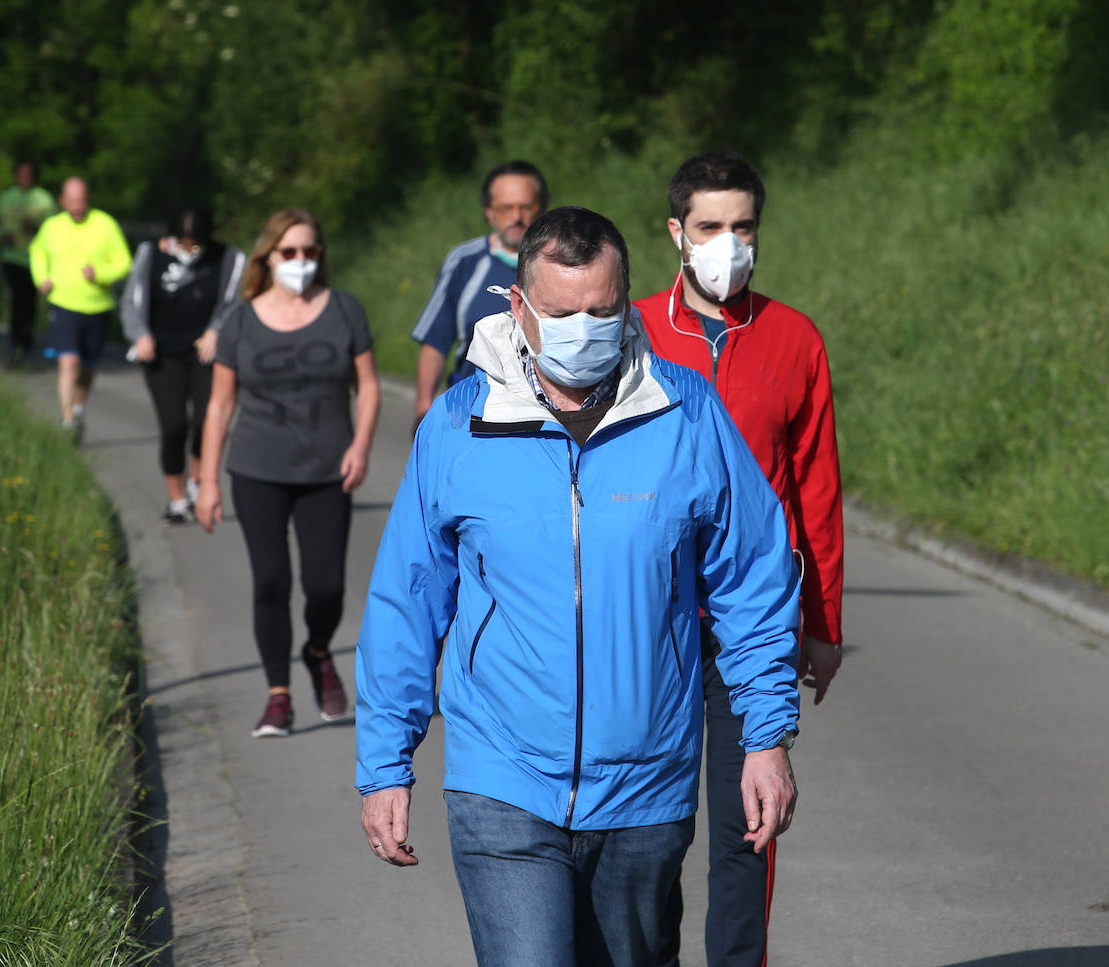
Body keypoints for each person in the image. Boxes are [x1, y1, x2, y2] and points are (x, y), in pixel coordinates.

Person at [357, 206, 802, 967]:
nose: (583, 328)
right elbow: (407, 599)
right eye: (561, 312)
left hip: (647, 780)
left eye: (601, 310)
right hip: (501, 775)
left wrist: (766, 733)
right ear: (518, 306)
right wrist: (385, 761)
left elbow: (754, 577)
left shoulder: (686, 413)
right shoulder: (459, 427)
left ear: (626, 301)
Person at [633, 150, 844, 967]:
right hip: (651, 622)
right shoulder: (634, 331)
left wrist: (821, 624)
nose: (730, 242)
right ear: (677, 233)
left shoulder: (794, 339)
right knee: (649, 833)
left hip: (752, 627)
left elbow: (816, 490)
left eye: (744, 226)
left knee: (748, 827)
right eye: (712, 226)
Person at [194, 207, 380, 736]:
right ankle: (278, 696)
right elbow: (219, 406)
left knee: (326, 587)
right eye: (289, 251)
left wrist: (361, 445)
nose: (300, 261)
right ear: (269, 256)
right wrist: (206, 483)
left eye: (310, 251)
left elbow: (366, 384)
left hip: (328, 467)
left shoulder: (344, 310)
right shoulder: (241, 319)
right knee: (271, 582)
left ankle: (318, 650)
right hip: (258, 468)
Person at [121, 206, 246, 524]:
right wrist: (140, 335)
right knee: (174, 426)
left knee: (207, 423)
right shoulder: (151, 255)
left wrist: (217, 331)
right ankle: (176, 499)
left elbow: (235, 301)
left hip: (207, 354)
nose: (189, 250)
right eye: (184, 242)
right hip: (163, 354)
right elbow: (131, 300)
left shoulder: (228, 258)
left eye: (196, 244)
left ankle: (197, 479)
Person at [410, 160, 548, 428]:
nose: (516, 217)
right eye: (506, 208)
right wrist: (423, 408)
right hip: (469, 412)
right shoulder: (465, 261)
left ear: (542, 208)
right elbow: (436, 340)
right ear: (489, 212)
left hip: (539, 416)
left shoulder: (561, 265)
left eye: (526, 207)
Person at [29, 177, 133, 441]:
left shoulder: (105, 225)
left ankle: (78, 408)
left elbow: (124, 263)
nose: (77, 206)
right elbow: (37, 252)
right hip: (63, 303)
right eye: (72, 200)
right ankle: (67, 421)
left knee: (87, 367)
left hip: (97, 306)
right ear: (63, 200)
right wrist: (41, 277)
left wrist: (99, 274)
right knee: (68, 362)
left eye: (81, 200)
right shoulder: (52, 227)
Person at [0, 159, 57, 366]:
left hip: (35, 258)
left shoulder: (44, 199)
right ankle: (17, 341)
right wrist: (1, 235)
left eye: (28, 174)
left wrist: (36, 229)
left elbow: (54, 226)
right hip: (11, 257)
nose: (25, 178)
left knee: (29, 300)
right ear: (16, 176)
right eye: (21, 174)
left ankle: (26, 340)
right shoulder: (6, 198)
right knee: (17, 299)